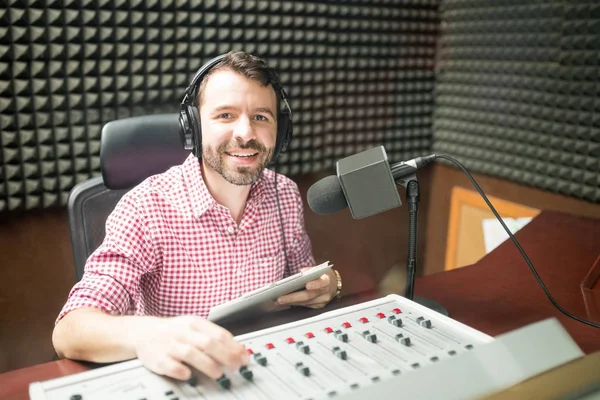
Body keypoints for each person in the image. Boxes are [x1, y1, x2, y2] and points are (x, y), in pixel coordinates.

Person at [52, 50, 342, 382]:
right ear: (193, 127)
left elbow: (303, 278)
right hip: (184, 379)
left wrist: (328, 285)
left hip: (263, 370)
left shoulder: (284, 193)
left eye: (261, 117)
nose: (245, 134)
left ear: (281, 130)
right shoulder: (146, 207)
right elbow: (70, 331)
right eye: (226, 115)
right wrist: (149, 335)